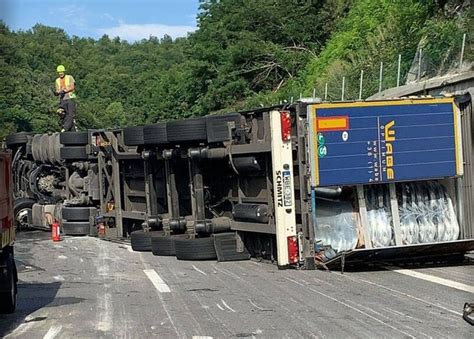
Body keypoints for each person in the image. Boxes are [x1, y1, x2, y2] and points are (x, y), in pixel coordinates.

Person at [54, 65, 76, 132]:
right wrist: (57, 93)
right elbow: (58, 89)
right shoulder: (57, 80)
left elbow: (72, 87)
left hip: (70, 98)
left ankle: (65, 129)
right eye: (59, 72)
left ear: (64, 72)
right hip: (62, 99)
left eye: (61, 72)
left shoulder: (69, 77)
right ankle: (71, 129)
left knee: (70, 114)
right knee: (61, 113)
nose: (60, 73)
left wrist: (65, 90)